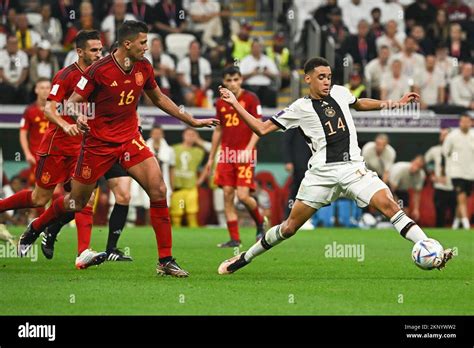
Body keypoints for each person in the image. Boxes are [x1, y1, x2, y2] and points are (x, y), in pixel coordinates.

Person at [17, 21, 219, 278]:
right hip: (97, 144)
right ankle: (37, 225)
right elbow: (71, 102)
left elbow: (158, 98)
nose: (147, 48)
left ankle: (165, 260)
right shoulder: (99, 70)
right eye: (143, 43)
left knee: (158, 189)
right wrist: (78, 116)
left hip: (129, 139)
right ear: (127, 43)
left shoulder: (144, 66)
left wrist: (190, 120)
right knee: (76, 201)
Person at [216, 57, 453, 275]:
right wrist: (236, 103)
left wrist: (394, 102)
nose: (327, 81)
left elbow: (359, 103)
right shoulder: (299, 107)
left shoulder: (340, 92)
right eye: (321, 77)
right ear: (307, 78)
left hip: (353, 169)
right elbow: (261, 128)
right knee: (289, 228)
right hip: (322, 175)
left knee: (390, 206)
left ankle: (431, 249)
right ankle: (244, 259)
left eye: (329, 76)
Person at [0, 30, 107, 269]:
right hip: (57, 147)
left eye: (101, 50)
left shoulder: (100, 76)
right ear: (79, 52)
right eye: (94, 50)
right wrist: (66, 125)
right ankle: (35, 226)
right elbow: (49, 109)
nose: (99, 54)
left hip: (83, 149)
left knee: (83, 199)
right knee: (40, 198)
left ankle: (82, 253)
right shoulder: (66, 75)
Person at [205, 66, 266, 247]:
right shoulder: (220, 102)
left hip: (245, 154)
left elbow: (259, 125)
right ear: (224, 82)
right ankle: (234, 239)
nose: (233, 83)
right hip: (226, 155)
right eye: (229, 80)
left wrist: (248, 149)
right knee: (227, 194)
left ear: (241, 80)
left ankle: (260, 223)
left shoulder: (251, 99)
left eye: (236, 79)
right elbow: (219, 129)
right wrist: (211, 157)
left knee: (243, 196)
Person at [443, 114, 474, 230]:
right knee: (461, 198)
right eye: (463, 121)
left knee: (463, 199)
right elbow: (446, 152)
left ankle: (455, 224)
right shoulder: (452, 136)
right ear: (459, 123)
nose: (465, 124)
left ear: (471, 123)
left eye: (467, 121)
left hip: (471, 174)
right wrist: (456, 159)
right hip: (457, 173)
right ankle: (466, 225)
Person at [170, 128, 206, 227]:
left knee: (192, 211)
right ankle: (177, 234)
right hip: (177, 187)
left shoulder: (198, 151)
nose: (190, 137)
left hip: (191, 187)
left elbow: (210, 162)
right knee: (177, 213)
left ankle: (194, 235)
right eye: (188, 134)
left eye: (193, 135)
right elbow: (169, 167)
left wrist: (201, 179)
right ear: (183, 135)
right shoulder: (174, 149)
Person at [19, 78, 51, 187]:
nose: (45, 91)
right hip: (36, 155)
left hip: (54, 154)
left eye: (48, 88)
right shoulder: (29, 110)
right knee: (36, 187)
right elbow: (23, 133)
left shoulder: (57, 109)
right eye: (42, 88)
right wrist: (27, 153)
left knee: (55, 188)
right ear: (36, 90)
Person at [425, 129, 456, 227]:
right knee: (440, 214)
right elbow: (426, 161)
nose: (444, 137)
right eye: (442, 135)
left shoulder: (455, 152)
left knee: (453, 215)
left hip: (452, 186)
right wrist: (432, 175)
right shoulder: (434, 150)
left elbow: (458, 165)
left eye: (446, 135)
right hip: (439, 187)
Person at [388, 156, 426, 221]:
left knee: (405, 213)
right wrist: (395, 202)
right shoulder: (401, 170)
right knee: (395, 209)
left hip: (403, 190)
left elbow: (417, 194)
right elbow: (392, 189)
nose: (415, 167)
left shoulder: (421, 175)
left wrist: (415, 210)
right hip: (390, 185)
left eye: (419, 166)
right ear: (412, 162)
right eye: (415, 164)